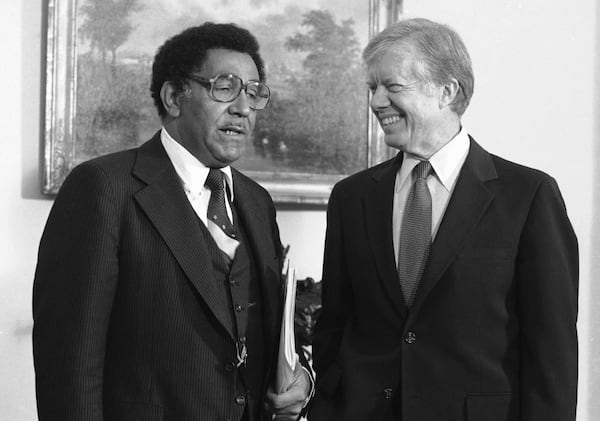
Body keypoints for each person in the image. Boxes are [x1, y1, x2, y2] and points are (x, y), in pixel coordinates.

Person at [33, 22, 311, 421]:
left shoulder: (256, 201)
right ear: (174, 96)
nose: (244, 108)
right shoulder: (103, 188)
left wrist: (299, 380)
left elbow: (269, 340)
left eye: (253, 92)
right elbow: (70, 363)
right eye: (225, 87)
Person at [309, 18, 578, 421]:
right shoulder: (352, 197)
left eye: (392, 86)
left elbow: (551, 351)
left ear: (446, 91)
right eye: (372, 88)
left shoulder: (529, 196)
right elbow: (334, 325)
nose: (377, 101)